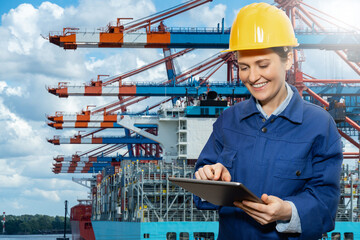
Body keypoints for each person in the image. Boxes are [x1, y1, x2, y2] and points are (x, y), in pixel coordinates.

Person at [194, 3, 343, 240]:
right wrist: (208, 176)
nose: (253, 77)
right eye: (244, 67)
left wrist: (288, 212)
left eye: (263, 65)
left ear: (289, 59)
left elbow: (326, 203)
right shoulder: (228, 120)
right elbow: (201, 187)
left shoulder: (320, 125)